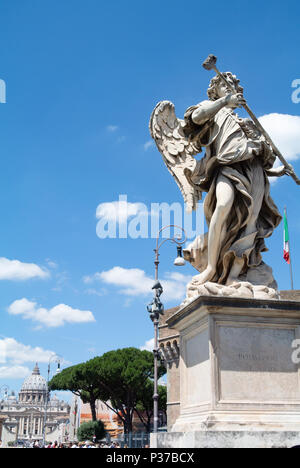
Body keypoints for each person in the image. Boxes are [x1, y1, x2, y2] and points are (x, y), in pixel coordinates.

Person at [183, 72, 287, 285]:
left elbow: (262, 155)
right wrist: (224, 102)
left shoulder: (245, 121)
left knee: (250, 224)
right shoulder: (212, 109)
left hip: (254, 171)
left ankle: (234, 276)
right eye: (226, 84)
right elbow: (195, 118)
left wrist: (276, 170)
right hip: (227, 166)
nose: (232, 87)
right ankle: (212, 268)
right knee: (222, 205)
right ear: (216, 88)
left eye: (234, 86)